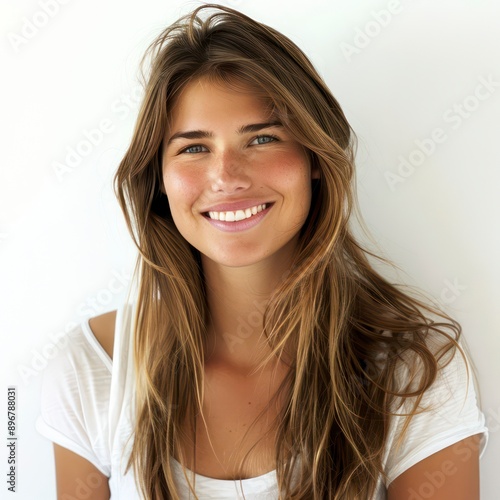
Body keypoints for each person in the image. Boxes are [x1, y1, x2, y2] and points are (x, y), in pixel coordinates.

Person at [36, 4, 488, 499]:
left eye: (263, 138)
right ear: (158, 179)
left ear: (315, 159)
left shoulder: (415, 368)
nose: (226, 176)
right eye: (193, 147)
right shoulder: (90, 368)